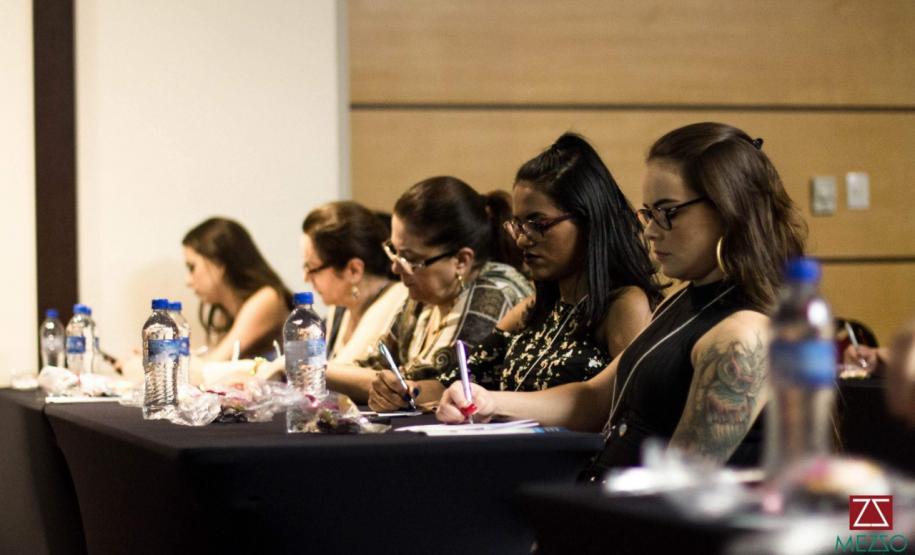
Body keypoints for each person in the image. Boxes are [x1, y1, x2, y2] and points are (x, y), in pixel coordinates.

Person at [438, 122, 808, 476]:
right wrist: (488, 401)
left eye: (667, 213)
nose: (649, 230)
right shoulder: (685, 302)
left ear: (729, 210)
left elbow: (679, 488)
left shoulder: (742, 335)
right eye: (648, 213)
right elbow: (591, 400)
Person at [436, 133, 663, 394]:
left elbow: (635, 406)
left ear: (588, 222)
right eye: (519, 225)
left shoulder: (623, 304)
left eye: (537, 224)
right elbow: (457, 382)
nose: (522, 240)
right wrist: (404, 389)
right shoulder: (533, 309)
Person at [329, 176, 533, 409]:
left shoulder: (492, 292)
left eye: (410, 258)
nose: (396, 267)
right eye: (394, 252)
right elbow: (377, 366)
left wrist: (307, 368)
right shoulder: (424, 295)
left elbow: (432, 385)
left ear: (461, 260)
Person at [300, 202, 408, 399]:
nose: (306, 278)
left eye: (312, 268)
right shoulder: (340, 309)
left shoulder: (399, 302)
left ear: (353, 270)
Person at [182, 217, 293, 362]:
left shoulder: (268, 298)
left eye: (192, 268)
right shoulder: (225, 312)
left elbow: (214, 364)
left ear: (218, 263)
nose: (188, 281)